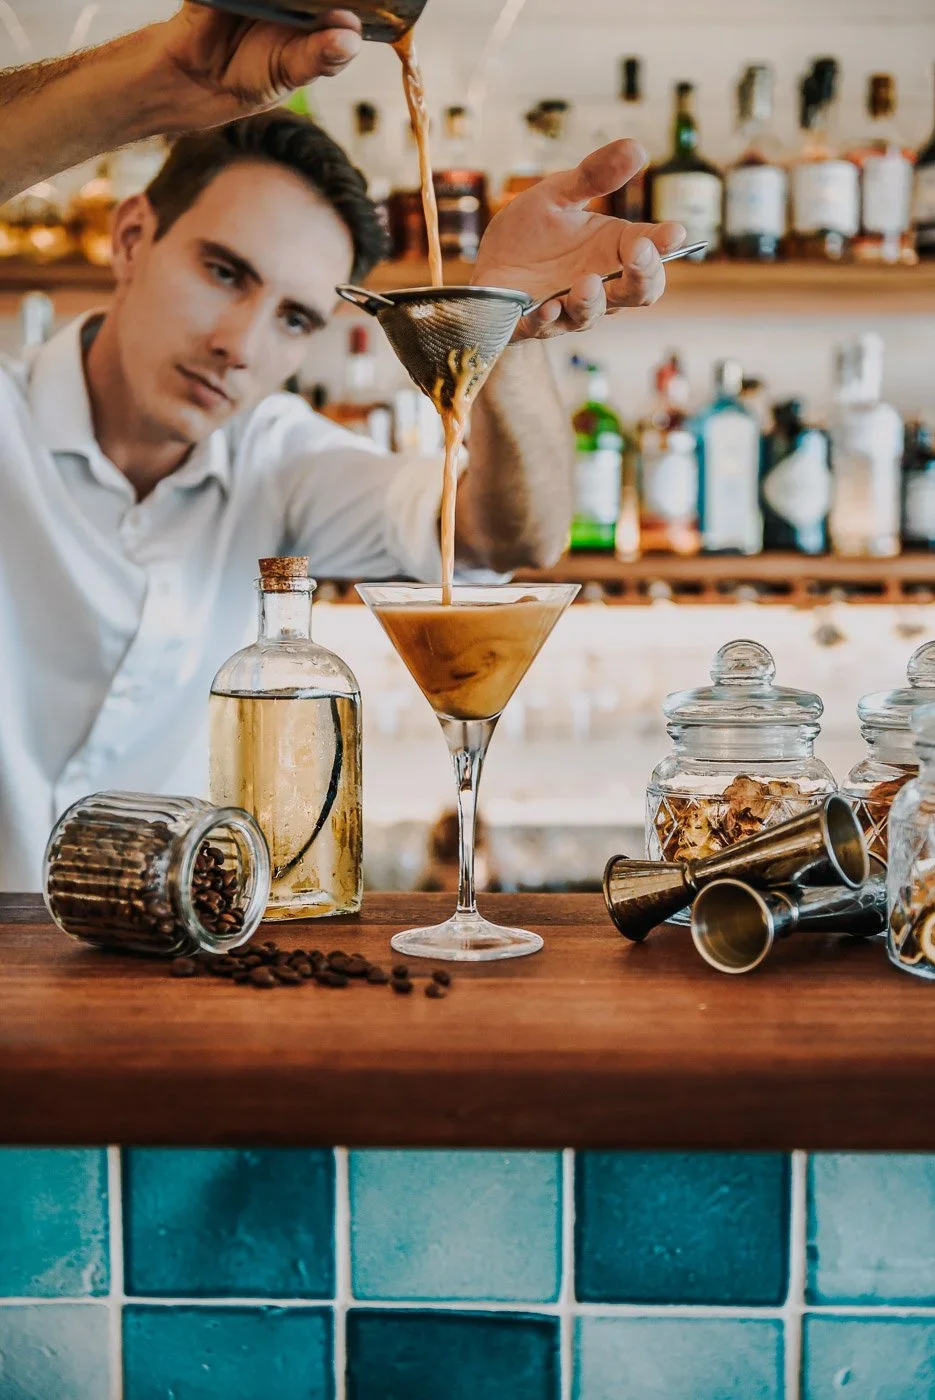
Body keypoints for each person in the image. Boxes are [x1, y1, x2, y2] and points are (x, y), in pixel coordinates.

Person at [0, 4, 684, 890]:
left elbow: (506, 539)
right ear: (132, 237)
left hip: (174, 968)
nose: (242, 346)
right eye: (223, 273)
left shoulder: (278, 460)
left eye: (293, 318)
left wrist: (498, 325)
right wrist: (155, 80)